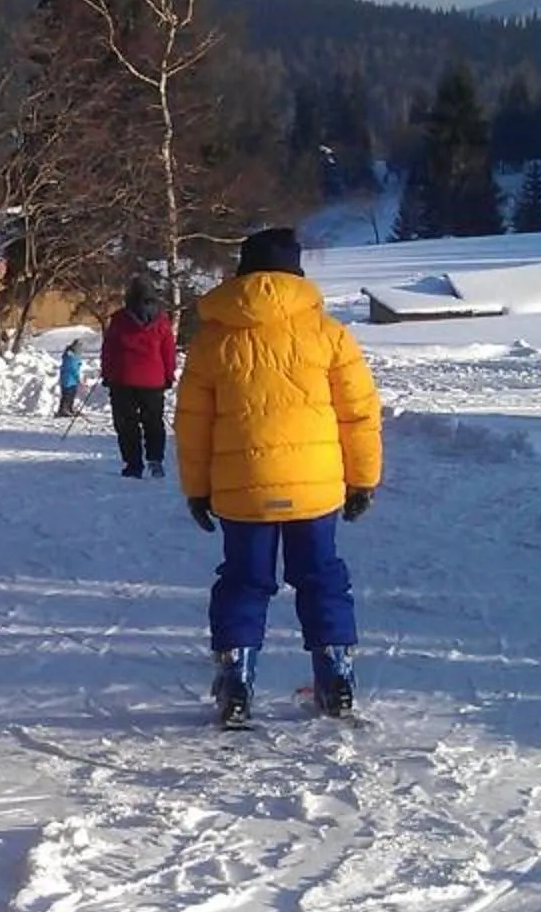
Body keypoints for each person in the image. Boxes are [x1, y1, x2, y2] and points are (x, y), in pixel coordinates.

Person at [176, 226, 381, 724]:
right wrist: (363, 479)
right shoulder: (330, 334)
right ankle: (335, 676)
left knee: (245, 581)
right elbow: (359, 413)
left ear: (242, 272)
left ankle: (237, 679)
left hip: (242, 489)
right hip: (315, 485)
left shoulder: (213, 340)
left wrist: (197, 489)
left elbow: (192, 424)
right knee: (322, 577)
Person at [100, 277, 179, 478]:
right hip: (154, 380)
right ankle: (155, 459)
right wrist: (169, 375)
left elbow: (109, 349)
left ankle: (133, 464)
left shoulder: (120, 319)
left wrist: (107, 373)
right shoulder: (162, 321)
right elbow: (168, 351)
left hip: (123, 378)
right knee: (153, 421)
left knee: (127, 424)